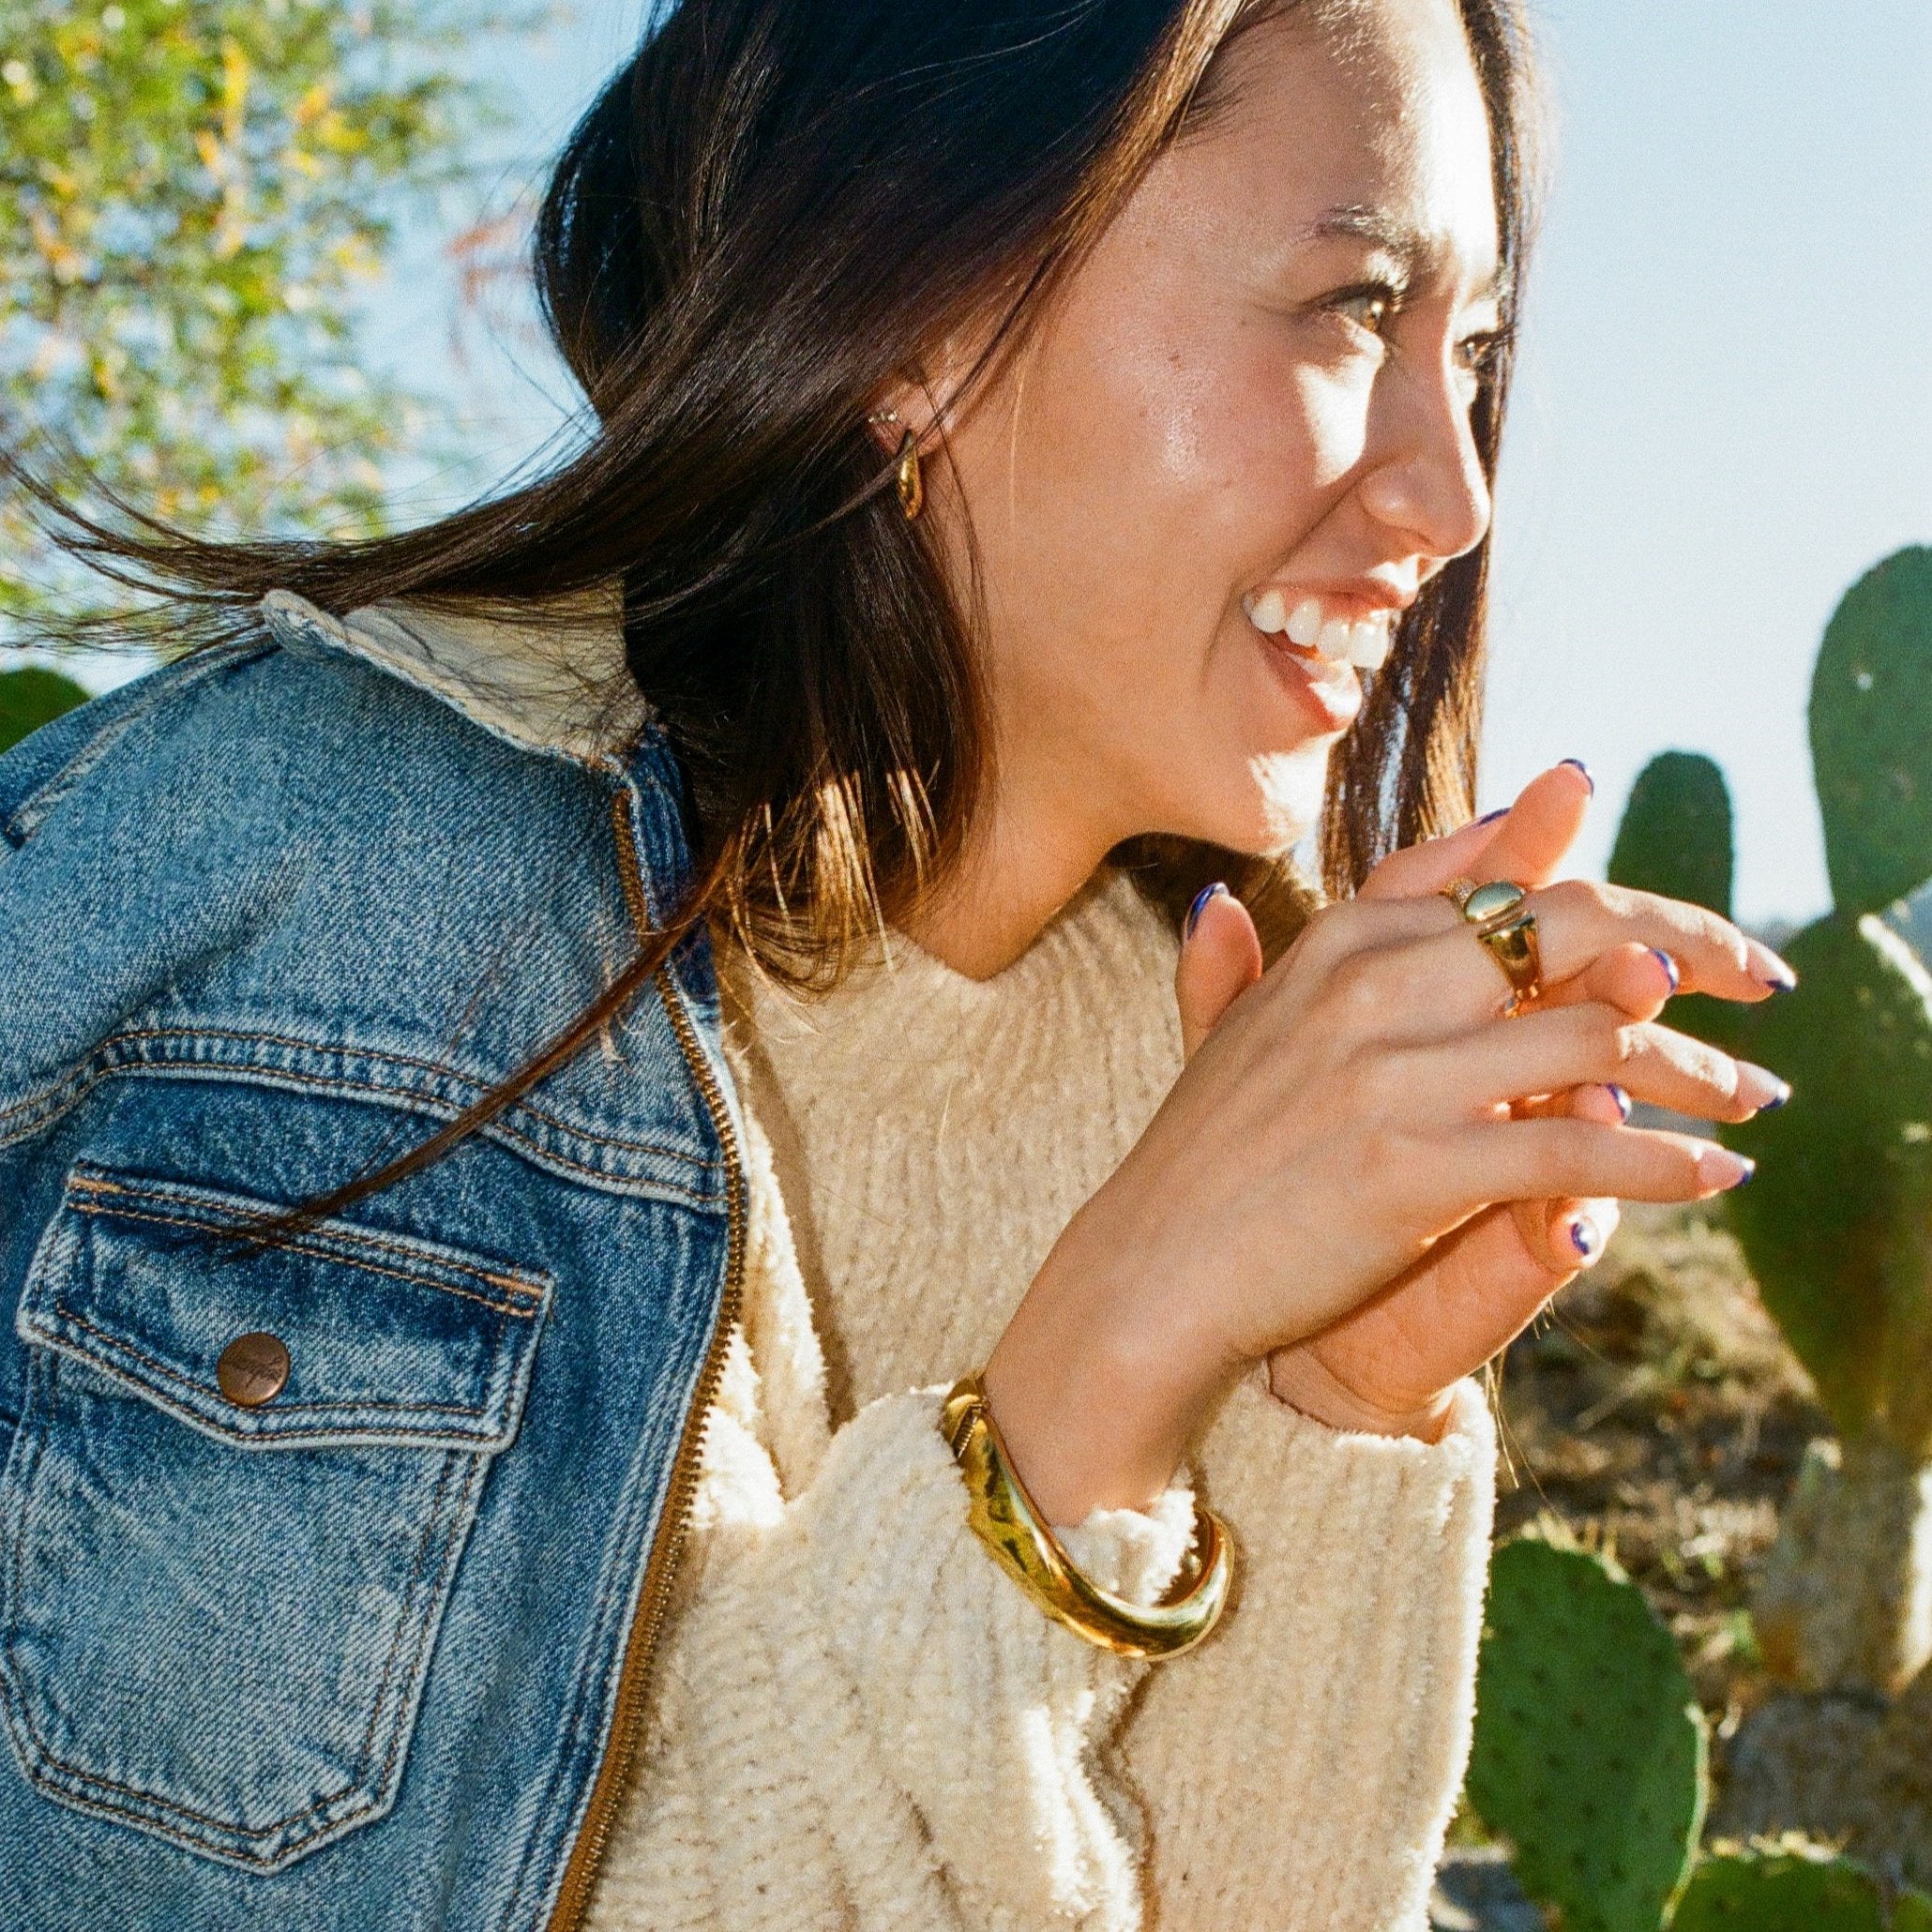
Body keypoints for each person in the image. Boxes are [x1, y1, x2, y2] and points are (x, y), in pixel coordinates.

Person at [0, 0, 1797, 1925]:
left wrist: (1333, 1412)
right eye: (1356, 309)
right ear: (924, 304)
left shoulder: (1197, 1078)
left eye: (1483, 355)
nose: (1455, 502)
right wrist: (1096, 1372)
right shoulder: (340, 888)